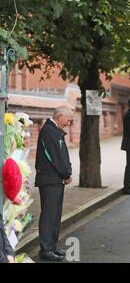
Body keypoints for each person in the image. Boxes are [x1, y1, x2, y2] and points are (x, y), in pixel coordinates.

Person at [35, 106, 73, 261]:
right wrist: (66, 173)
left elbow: (62, 153)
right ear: (59, 116)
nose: (70, 122)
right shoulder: (49, 132)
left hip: (55, 179)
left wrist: (67, 171)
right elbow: (55, 156)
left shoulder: (54, 130)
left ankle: (52, 245)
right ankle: (46, 249)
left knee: (55, 215)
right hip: (49, 180)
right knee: (49, 215)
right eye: (69, 119)